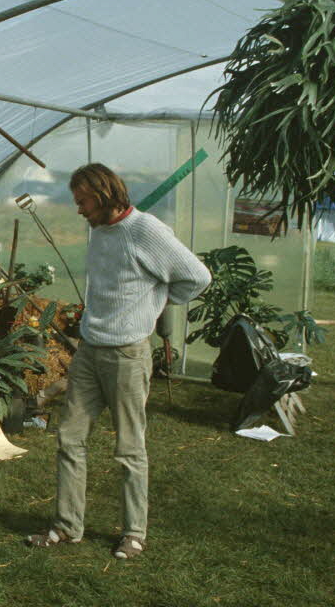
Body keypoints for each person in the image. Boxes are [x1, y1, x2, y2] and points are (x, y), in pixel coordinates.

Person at [26, 163, 210, 559]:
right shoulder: (99, 230)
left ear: (104, 193)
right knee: (70, 438)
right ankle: (67, 527)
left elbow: (197, 276)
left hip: (128, 354)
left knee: (129, 448)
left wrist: (158, 299)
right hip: (90, 350)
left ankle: (134, 533)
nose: (78, 210)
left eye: (83, 201)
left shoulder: (146, 231)